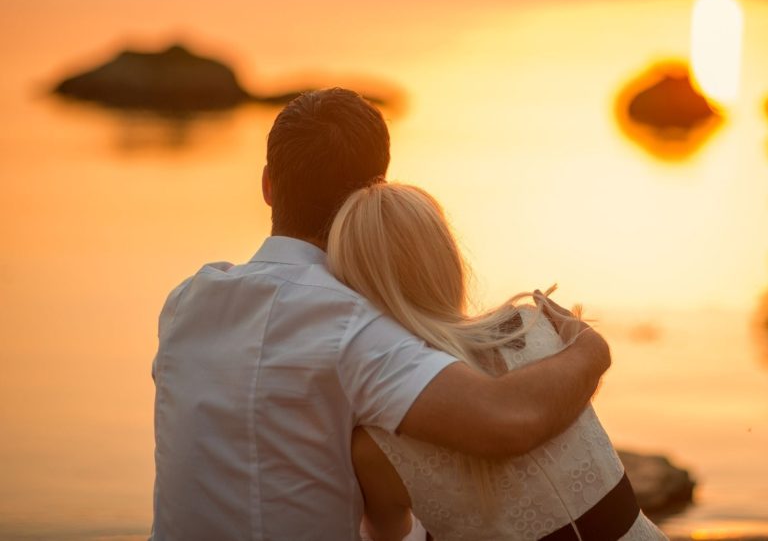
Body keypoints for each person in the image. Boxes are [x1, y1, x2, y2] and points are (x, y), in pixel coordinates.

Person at [150, 88, 611, 540]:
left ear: (268, 186)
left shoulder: (185, 302)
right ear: (375, 194)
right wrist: (591, 348)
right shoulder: (352, 327)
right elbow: (507, 419)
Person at [327, 182, 667, 541]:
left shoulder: (373, 449)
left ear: (351, 289)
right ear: (448, 258)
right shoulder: (538, 326)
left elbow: (389, 537)